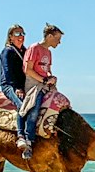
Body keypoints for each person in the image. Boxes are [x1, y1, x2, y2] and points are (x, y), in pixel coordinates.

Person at [21, 24, 63, 159]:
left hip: (45, 83)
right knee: (34, 111)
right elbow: (28, 69)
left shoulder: (49, 52)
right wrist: (43, 80)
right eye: (57, 38)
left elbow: (47, 69)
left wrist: (51, 77)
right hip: (34, 85)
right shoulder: (34, 48)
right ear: (49, 36)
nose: (59, 42)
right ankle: (28, 142)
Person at [0, 24, 28, 147]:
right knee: (22, 105)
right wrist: (17, 88)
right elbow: (7, 71)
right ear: (10, 37)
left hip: (24, 84)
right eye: (17, 34)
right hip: (9, 85)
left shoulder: (25, 51)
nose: (20, 36)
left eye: (22, 34)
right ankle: (21, 136)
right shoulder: (7, 51)